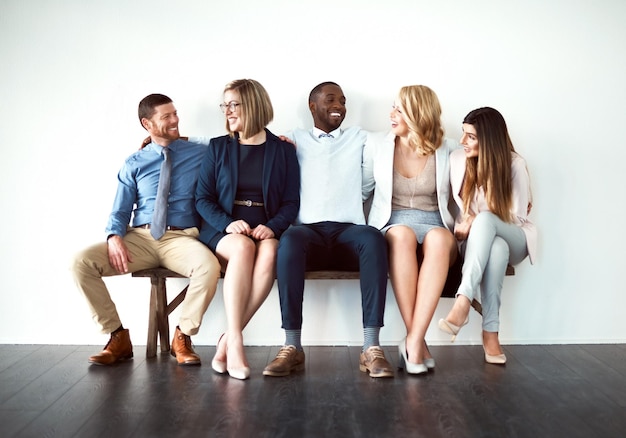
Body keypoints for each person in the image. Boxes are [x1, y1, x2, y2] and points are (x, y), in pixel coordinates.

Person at [72, 94, 221, 366]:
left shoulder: (201, 153)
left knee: (208, 267)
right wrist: (114, 236)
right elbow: (120, 209)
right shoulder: (134, 162)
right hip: (140, 238)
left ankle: (183, 336)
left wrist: (280, 140)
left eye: (175, 113)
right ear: (147, 123)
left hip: (180, 237)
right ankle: (117, 336)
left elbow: (233, 146)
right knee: (81, 262)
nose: (175, 120)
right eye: (166, 117)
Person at [263, 81, 394, 378]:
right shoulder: (293, 139)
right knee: (290, 239)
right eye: (331, 99)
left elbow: (397, 138)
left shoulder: (359, 137)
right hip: (308, 235)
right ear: (312, 106)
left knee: (374, 238)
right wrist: (180, 138)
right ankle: (292, 346)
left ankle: (371, 348)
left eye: (343, 101)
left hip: (349, 233)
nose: (339, 106)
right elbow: (245, 140)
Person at [195, 79, 300, 380]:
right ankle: (237, 341)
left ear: (252, 105)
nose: (227, 111)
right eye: (224, 105)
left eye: (233, 104)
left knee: (270, 252)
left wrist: (272, 226)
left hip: (264, 228)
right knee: (242, 246)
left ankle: (227, 336)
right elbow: (202, 199)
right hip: (222, 227)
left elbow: (291, 202)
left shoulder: (283, 151)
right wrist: (227, 223)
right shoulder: (218, 147)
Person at [367, 85, 459, 374]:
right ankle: (416, 343)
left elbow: (469, 189)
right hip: (392, 222)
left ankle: (412, 341)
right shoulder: (377, 145)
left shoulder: (449, 148)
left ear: (418, 114)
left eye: (399, 109)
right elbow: (359, 189)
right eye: (392, 107)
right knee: (402, 235)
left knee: (440, 240)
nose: (391, 114)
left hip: (435, 220)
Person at [438, 106, 537, 364]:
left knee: (490, 228)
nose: (462, 142)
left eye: (470, 136)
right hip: (479, 244)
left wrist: (476, 220)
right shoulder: (458, 160)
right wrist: (464, 226)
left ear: (489, 139)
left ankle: (463, 301)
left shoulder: (515, 164)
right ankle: (491, 333)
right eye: (463, 134)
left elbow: (518, 217)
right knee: (496, 250)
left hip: (515, 236)